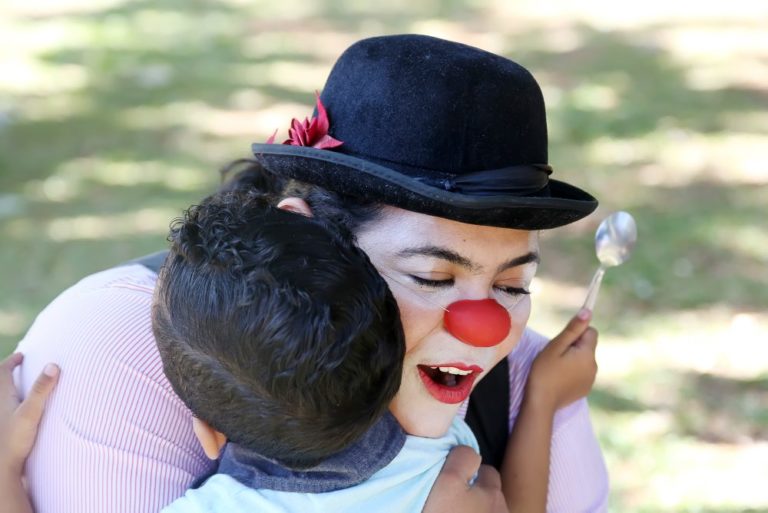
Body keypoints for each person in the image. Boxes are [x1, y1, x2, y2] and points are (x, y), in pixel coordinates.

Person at [12, 34, 609, 512]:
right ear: (311, 237)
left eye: (511, 286)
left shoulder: (526, 373)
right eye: (431, 276)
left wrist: (544, 400)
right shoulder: (125, 346)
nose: (486, 329)